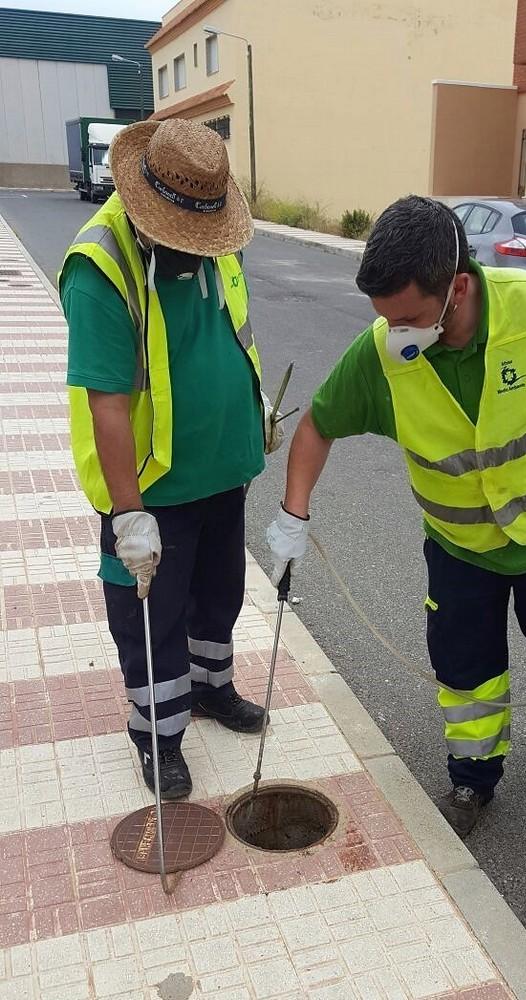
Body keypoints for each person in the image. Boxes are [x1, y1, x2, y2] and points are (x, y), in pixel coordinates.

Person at [266, 196, 526, 837]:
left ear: (457, 287)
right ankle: (473, 777)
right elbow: (316, 427)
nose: (395, 332)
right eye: (385, 318)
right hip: (460, 549)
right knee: (466, 673)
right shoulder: (385, 352)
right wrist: (292, 515)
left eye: (409, 317)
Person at [61, 119, 282, 800]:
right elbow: (107, 405)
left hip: (222, 470)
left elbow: (232, 332)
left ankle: (212, 687)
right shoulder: (100, 267)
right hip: (152, 489)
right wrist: (129, 518)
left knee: (218, 597)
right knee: (150, 622)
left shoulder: (214, 234)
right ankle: (158, 734)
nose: (196, 244)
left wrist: (252, 403)